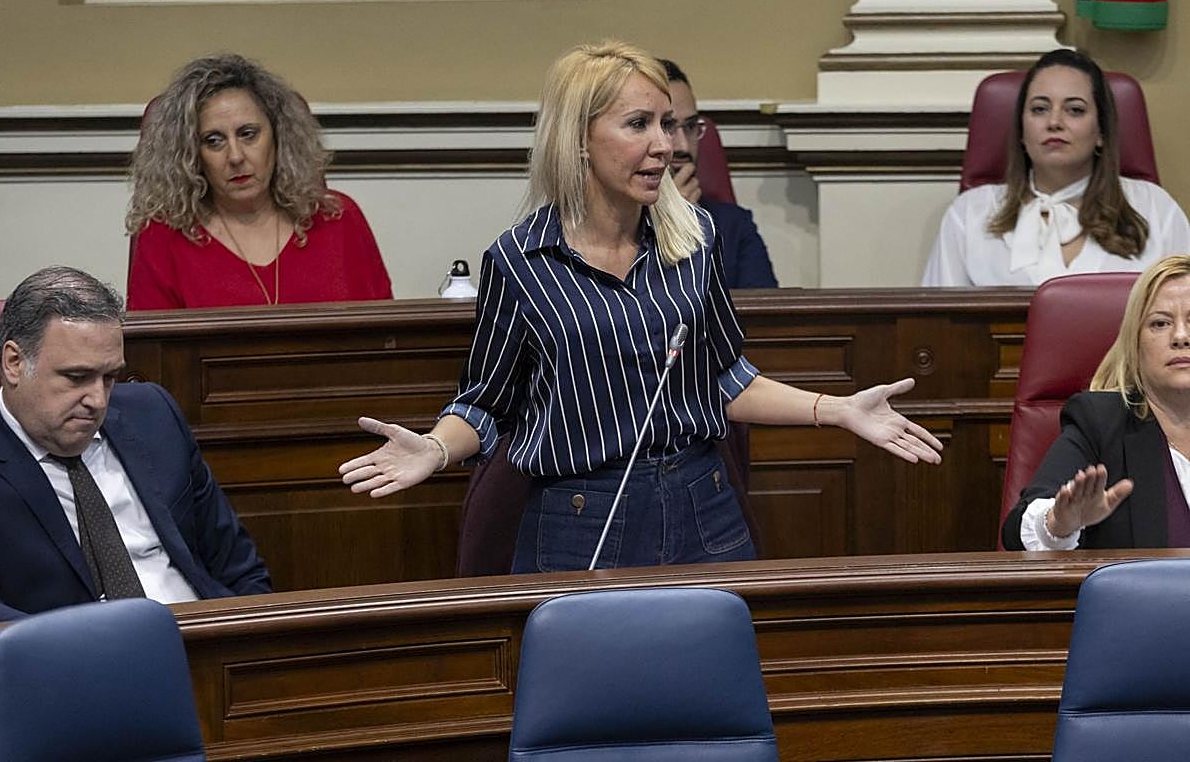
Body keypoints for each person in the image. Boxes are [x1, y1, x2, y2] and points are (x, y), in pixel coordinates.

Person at [340, 40, 941, 574]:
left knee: (713, 692)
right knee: (588, 696)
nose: (667, 146)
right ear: (578, 138)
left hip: (702, 505)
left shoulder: (695, 238)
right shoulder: (519, 261)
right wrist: (439, 448)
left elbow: (724, 379)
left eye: (670, 124)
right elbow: (488, 403)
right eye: (639, 124)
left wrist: (835, 410)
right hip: (578, 518)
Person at [0, 266, 271, 621]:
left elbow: (240, 569)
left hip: (206, 644)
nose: (97, 400)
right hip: (73, 664)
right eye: (77, 377)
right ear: (14, 363)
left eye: (109, 377)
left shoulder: (153, 413)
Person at [126, 53, 393, 309]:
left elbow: (384, 338)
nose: (235, 156)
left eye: (248, 134)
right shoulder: (163, 236)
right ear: (192, 154)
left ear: (278, 137)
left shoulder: (339, 218)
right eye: (213, 141)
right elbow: (154, 353)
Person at [922, 49, 1190, 286]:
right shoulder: (969, 214)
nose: (1054, 122)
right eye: (1039, 109)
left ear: (1101, 132)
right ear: (1021, 129)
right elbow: (937, 328)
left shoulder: (1155, 208)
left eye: (1074, 110)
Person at [1002, 255, 1190, 550]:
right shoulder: (1101, 422)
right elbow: (1018, 529)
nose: (1180, 336)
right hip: (1141, 598)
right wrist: (1059, 523)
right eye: (1160, 323)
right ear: (1135, 344)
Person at [659, 58, 778, 288]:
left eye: (691, 126)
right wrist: (665, 226)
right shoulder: (612, 235)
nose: (683, 146)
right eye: (668, 126)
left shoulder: (734, 226)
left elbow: (766, 318)